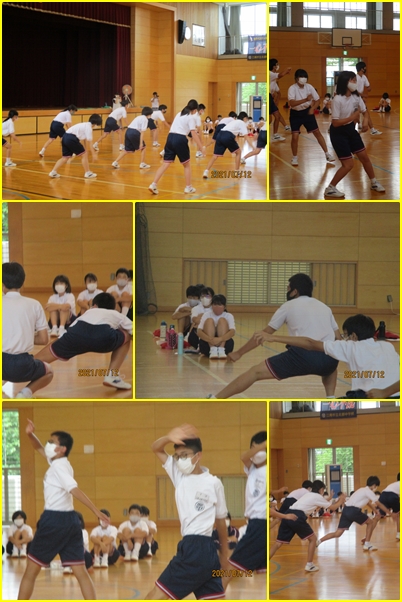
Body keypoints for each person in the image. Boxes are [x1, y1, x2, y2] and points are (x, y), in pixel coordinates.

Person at [18, 420, 110, 599]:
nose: (48, 444)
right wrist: (30, 434)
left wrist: (96, 511)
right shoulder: (59, 462)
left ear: (62, 449)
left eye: (52, 442)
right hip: (71, 522)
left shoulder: (59, 468)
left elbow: (74, 489)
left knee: (30, 571)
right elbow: (38, 447)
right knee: (81, 572)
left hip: (54, 521)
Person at [208, 273, 340, 399]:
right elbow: (338, 338)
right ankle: (330, 398)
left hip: (302, 357)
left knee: (255, 372)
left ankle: (215, 398)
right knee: (330, 365)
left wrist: (239, 353)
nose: (287, 291)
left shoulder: (288, 306)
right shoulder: (325, 307)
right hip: (329, 360)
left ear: (294, 291)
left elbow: (264, 334)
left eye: (288, 288)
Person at [145, 423, 230, 600]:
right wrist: (169, 437)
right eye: (177, 456)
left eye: (184, 455)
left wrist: (224, 554)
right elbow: (156, 448)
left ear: (198, 456)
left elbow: (221, 521)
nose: (180, 460)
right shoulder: (179, 476)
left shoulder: (214, 483)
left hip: (201, 548)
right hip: (194, 547)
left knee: (155, 596)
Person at [263, 313, 400, 398]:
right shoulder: (387, 346)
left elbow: (310, 343)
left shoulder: (349, 347)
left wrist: (274, 338)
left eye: (345, 335)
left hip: (370, 397)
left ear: (353, 336)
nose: (343, 338)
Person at [34, 292, 133, 390]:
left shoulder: (88, 313)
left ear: (94, 306)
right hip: (103, 337)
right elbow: (132, 330)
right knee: (127, 334)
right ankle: (112, 376)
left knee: (42, 356)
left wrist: (59, 343)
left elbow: (69, 330)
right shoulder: (115, 314)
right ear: (113, 308)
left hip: (76, 334)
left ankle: (29, 365)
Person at [324, 71, 385, 198]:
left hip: (351, 130)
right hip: (338, 133)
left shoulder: (356, 97)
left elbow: (365, 111)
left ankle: (374, 182)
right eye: (352, 80)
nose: (355, 83)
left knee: (364, 157)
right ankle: (330, 188)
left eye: (355, 80)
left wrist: (366, 121)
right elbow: (335, 123)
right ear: (345, 82)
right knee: (348, 164)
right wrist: (352, 117)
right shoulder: (337, 99)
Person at [222, 431, 267, 589]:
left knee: (231, 567)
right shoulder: (252, 469)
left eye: (262, 449)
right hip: (254, 523)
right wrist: (262, 445)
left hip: (260, 523)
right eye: (254, 448)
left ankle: (215, 595)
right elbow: (244, 457)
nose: (257, 452)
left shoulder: (267, 469)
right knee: (247, 569)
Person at [2, 262, 53, 399]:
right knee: (49, 371)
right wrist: (25, 336)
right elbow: (44, 339)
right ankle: (25, 393)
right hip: (23, 364)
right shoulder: (34, 304)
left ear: (3, 283)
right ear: (22, 282)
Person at [270, 480, 345, 572]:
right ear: (321, 490)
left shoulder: (308, 495)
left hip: (288, 514)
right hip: (297, 516)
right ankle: (309, 565)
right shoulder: (317, 496)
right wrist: (341, 500)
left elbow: (321, 504)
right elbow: (333, 508)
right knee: (313, 539)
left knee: (278, 543)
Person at [316, 476, 389, 551]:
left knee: (337, 533)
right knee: (370, 523)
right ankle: (367, 544)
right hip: (353, 510)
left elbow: (367, 502)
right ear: (374, 485)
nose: (376, 487)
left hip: (346, 510)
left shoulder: (361, 490)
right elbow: (378, 504)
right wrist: (388, 512)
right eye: (376, 486)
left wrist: (374, 510)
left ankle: (319, 541)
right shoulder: (369, 492)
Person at [149, 99, 206, 195]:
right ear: (195, 110)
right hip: (180, 139)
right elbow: (193, 133)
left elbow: (184, 129)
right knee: (187, 165)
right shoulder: (191, 118)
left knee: (165, 164)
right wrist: (201, 147)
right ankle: (188, 187)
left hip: (170, 137)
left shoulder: (179, 114)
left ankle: (153, 184)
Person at [288, 69, 335, 166]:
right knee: (295, 136)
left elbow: (317, 100)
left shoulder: (309, 87)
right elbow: (292, 103)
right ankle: (294, 157)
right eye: (301, 77)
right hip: (295, 114)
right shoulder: (292, 88)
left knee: (317, 132)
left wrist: (312, 108)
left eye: (305, 77)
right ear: (296, 78)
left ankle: (327, 154)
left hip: (307, 112)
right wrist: (306, 99)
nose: (303, 79)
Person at [49, 114, 102, 179]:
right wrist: (93, 154)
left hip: (65, 137)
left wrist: (85, 150)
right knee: (84, 155)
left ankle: (53, 172)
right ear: (96, 123)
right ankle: (88, 173)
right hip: (71, 138)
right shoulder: (89, 128)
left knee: (65, 158)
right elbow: (90, 142)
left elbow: (85, 139)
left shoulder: (84, 125)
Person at [203, 112, 249, 179]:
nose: (247, 120)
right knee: (238, 152)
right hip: (227, 135)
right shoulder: (241, 123)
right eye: (247, 119)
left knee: (215, 156)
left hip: (220, 134)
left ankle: (206, 171)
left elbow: (233, 134)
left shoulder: (233, 122)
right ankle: (236, 172)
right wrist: (252, 146)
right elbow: (246, 136)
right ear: (244, 118)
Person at [197, 294, 235, 359]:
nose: (217, 307)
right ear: (211, 305)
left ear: (225, 307)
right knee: (209, 320)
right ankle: (212, 349)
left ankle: (221, 349)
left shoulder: (228, 316)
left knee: (222, 320)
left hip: (224, 345)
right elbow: (199, 331)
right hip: (208, 345)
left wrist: (220, 339)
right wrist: (211, 340)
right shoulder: (206, 315)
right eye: (215, 304)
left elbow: (232, 332)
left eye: (219, 305)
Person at [370, 473, 400, 541]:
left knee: (378, 516)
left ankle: (367, 535)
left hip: (383, 495)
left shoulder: (393, 484)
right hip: (392, 496)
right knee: (399, 515)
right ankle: (399, 535)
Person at [355, 62, 382, 135]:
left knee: (365, 112)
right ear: (361, 68)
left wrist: (368, 88)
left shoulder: (364, 77)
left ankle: (372, 130)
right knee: (354, 113)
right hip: (354, 98)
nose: (365, 69)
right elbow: (354, 91)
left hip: (359, 98)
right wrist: (363, 95)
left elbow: (368, 87)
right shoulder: (355, 78)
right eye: (364, 67)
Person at [46, 274, 76, 338]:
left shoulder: (70, 295)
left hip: (68, 321)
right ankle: (54, 328)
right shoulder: (52, 297)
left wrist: (56, 306)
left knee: (64, 309)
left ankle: (62, 328)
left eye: (61, 283)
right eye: (57, 283)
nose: (59, 285)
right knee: (54, 310)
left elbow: (66, 307)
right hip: (56, 320)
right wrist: (60, 306)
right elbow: (47, 307)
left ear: (66, 285)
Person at [269, 58, 292, 134]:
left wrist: (277, 101)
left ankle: (281, 129)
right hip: (268, 98)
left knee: (277, 114)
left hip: (271, 98)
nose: (278, 66)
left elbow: (279, 93)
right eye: (277, 64)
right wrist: (286, 70)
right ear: (273, 66)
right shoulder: (269, 73)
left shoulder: (274, 81)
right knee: (271, 118)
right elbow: (280, 75)